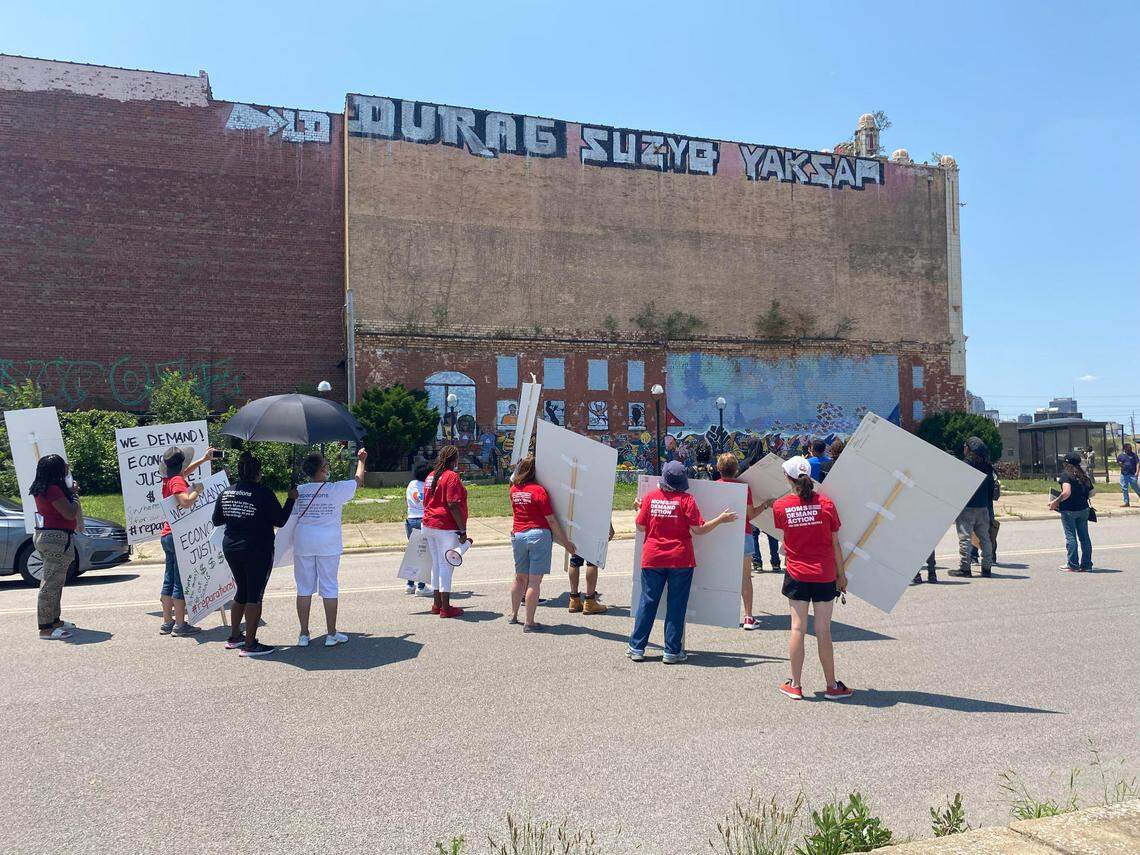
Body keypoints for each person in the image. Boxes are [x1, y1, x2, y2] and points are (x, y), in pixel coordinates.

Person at [756, 456, 852, 701]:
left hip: (797, 573)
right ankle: (831, 685)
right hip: (824, 574)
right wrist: (842, 576)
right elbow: (835, 544)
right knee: (824, 631)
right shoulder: (827, 504)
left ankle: (795, 685)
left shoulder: (781, 506)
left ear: (787, 478)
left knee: (797, 628)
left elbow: (785, 534)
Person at [627, 461, 737, 664]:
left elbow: (640, 526)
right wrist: (721, 519)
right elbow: (699, 529)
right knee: (676, 605)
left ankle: (637, 647)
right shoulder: (687, 500)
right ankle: (671, 651)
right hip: (680, 559)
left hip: (653, 558)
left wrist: (638, 509)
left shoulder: (650, 498)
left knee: (648, 602)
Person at [212, 452, 297, 657]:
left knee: (241, 589)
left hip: (231, 547)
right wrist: (291, 500)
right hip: (257, 548)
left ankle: (234, 637)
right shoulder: (263, 493)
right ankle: (250, 644)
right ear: (258, 473)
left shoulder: (227, 492)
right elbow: (280, 520)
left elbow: (216, 520)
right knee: (255, 594)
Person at [292, 448, 367, 647]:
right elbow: (358, 480)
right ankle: (331, 633)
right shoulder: (336, 489)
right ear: (323, 469)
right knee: (329, 586)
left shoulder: (299, 490)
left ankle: (303, 634)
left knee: (304, 588)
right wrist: (361, 460)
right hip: (328, 543)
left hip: (303, 542)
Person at [507, 455, 575, 631]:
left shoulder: (514, 490)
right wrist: (566, 542)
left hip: (519, 534)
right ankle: (529, 622)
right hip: (538, 534)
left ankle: (514, 615)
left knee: (519, 577)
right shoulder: (538, 491)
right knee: (534, 582)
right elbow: (551, 521)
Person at [158, 445, 214, 636]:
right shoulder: (177, 482)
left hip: (166, 535)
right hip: (176, 535)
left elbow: (183, 473)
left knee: (169, 578)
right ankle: (180, 625)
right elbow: (186, 501)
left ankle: (167, 621)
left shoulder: (168, 479)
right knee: (180, 581)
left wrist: (204, 460)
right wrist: (197, 490)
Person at [29, 454, 81, 640]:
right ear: (56, 470)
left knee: (56, 581)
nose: (66, 468)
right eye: (63, 467)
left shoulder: (43, 487)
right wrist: (74, 495)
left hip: (47, 536)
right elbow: (69, 513)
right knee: (50, 584)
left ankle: (54, 620)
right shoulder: (52, 490)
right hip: (56, 538)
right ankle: (46, 628)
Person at [715, 453, 764, 631]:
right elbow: (750, 515)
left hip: (721, 535)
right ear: (736, 469)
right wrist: (765, 505)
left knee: (722, 575)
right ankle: (748, 616)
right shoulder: (744, 487)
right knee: (745, 577)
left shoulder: (714, 487)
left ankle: (722, 613)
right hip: (743, 534)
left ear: (718, 468)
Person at [422, 445, 471, 619]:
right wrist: (462, 529)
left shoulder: (431, 475)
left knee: (436, 565)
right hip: (445, 527)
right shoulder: (451, 477)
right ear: (455, 459)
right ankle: (445, 607)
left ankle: (437, 604)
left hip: (428, 524)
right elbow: (452, 504)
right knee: (446, 566)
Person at [950, 437, 995, 578]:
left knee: (965, 539)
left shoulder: (965, 465)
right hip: (983, 508)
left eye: (965, 446)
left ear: (969, 449)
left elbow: (957, 487)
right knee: (985, 539)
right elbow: (991, 489)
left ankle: (965, 568)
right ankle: (986, 568)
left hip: (967, 507)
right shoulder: (988, 467)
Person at [1048, 451, 1094, 572]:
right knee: (1084, 538)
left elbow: (1066, 492)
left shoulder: (1066, 475)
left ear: (1066, 463)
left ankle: (1072, 564)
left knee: (1071, 537)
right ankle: (1087, 565)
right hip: (1084, 509)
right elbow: (1092, 492)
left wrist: (1055, 502)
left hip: (1069, 510)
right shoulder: (1083, 475)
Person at [567, 527, 612, 615]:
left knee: (574, 561)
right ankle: (590, 601)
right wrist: (609, 526)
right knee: (592, 562)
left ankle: (574, 600)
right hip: (592, 526)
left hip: (576, 526)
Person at [404, 463, 431, 596]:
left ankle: (410, 585)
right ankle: (421, 587)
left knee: (413, 553)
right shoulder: (428, 486)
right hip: (423, 519)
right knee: (423, 554)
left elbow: (406, 499)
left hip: (410, 519)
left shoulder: (411, 484)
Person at [1118, 443, 1139, 507]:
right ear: (1125, 449)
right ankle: (1126, 502)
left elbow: (1138, 463)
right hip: (1123, 475)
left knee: (1135, 488)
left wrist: (1137, 472)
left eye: (1130, 448)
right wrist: (1120, 464)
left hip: (1132, 474)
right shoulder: (1121, 455)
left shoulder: (1134, 455)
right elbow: (1119, 462)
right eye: (1128, 448)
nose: (1130, 449)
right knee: (1124, 488)